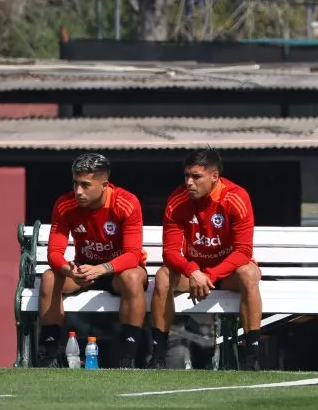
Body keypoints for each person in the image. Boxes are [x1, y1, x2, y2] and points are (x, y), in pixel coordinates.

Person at [150, 149, 263, 370]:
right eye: (186, 176)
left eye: (196, 176)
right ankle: (158, 356)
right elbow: (170, 252)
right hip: (194, 274)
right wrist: (193, 271)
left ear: (214, 176)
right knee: (162, 277)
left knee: (249, 273)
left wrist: (208, 275)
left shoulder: (236, 197)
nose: (189, 182)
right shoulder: (177, 199)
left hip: (226, 274)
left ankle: (252, 357)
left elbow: (243, 252)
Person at [38, 153, 147, 368]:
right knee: (49, 277)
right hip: (84, 272)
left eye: (86, 185)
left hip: (118, 272)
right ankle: (49, 355)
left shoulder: (126, 203)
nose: (78, 191)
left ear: (104, 185)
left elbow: (133, 255)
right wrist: (70, 271)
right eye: (75, 183)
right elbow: (54, 253)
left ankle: (129, 357)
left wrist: (102, 269)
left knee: (133, 277)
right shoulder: (64, 204)